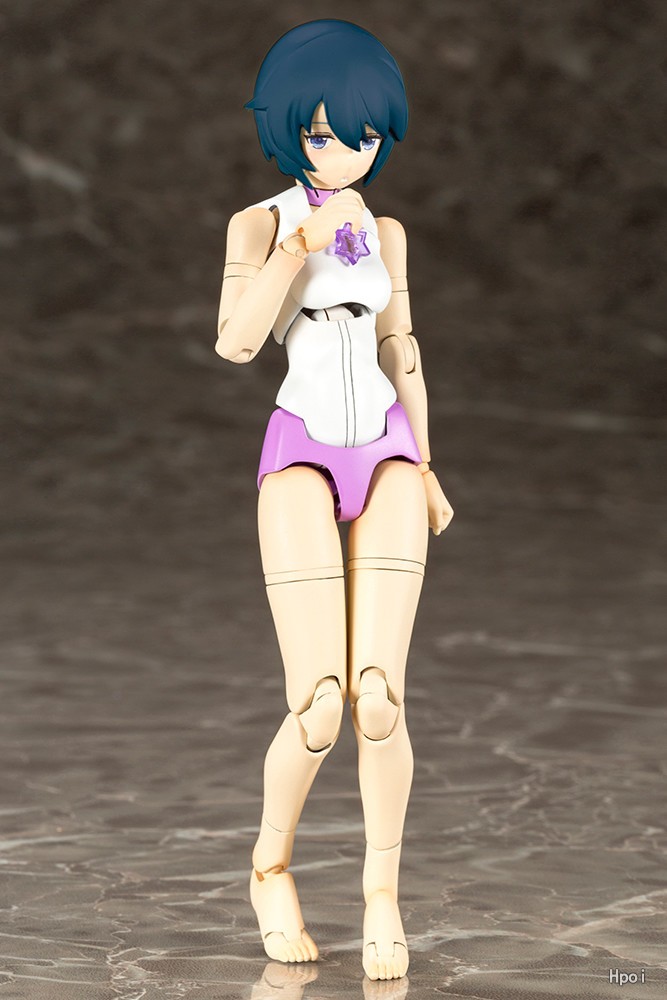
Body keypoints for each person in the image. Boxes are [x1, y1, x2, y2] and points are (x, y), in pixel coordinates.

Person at [215, 19, 453, 982]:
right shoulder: (258, 222)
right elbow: (235, 342)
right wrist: (292, 251)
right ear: (287, 129)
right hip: (302, 452)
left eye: (361, 133)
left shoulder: (384, 231)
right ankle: (269, 868)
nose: (343, 150)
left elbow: (402, 347)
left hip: (387, 448)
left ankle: (381, 895)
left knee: (379, 699)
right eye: (320, 132)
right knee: (318, 704)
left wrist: (426, 464)